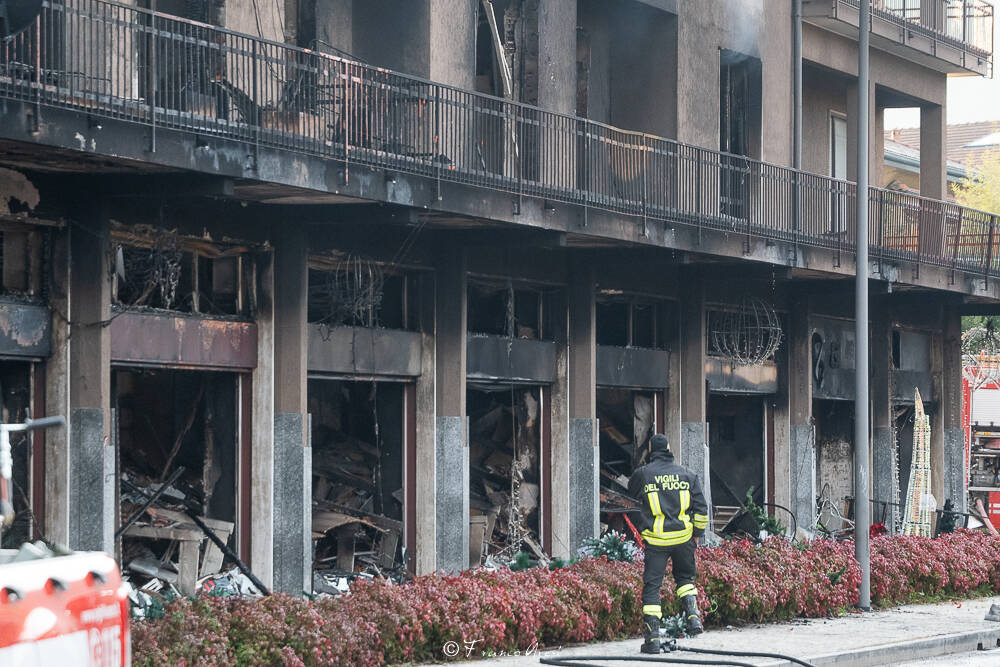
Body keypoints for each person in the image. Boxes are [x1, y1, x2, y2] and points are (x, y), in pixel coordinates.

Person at [627, 433, 709, 654]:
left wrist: (643, 528)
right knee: (685, 579)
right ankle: (694, 620)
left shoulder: (642, 475)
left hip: (656, 541)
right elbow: (701, 508)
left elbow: (631, 502)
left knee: (652, 588)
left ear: (651, 450)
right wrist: (697, 533)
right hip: (684, 539)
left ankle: (652, 639)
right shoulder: (688, 474)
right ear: (670, 448)